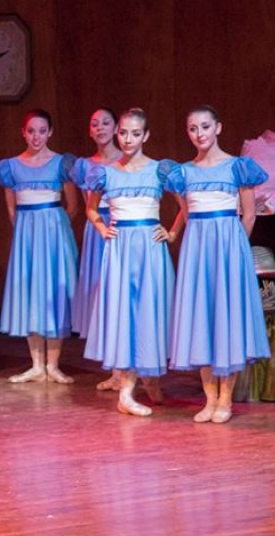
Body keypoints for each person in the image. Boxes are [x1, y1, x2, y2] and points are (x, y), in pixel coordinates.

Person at [166, 105, 271, 423]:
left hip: (229, 248)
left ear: (218, 128)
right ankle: (209, 398)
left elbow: (249, 214)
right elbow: (186, 212)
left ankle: (226, 398)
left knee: (228, 318)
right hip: (198, 250)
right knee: (203, 317)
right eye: (193, 128)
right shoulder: (181, 173)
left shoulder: (238, 167)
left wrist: (236, 247)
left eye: (205, 126)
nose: (199, 134)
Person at [84, 108, 186, 417]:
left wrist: (171, 233)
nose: (128, 139)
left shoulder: (159, 170)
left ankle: (151, 379)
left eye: (135, 133)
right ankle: (126, 392)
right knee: (126, 315)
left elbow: (185, 206)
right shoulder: (106, 171)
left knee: (151, 311)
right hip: (120, 250)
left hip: (150, 249)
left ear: (146, 135)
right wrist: (103, 229)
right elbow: (91, 210)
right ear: (118, 134)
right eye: (124, 133)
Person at [0, 110, 80, 384]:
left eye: (42, 130)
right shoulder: (11, 167)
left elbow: (73, 206)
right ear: (23, 132)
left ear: (50, 132)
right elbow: (11, 210)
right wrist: (26, 234)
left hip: (54, 233)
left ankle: (53, 365)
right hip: (26, 236)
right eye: (31, 131)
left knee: (53, 294)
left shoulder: (61, 164)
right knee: (31, 293)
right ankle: (36, 364)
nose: (36, 136)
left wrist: (54, 228)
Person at [70, 109, 123, 390]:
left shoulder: (124, 161)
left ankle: (122, 368)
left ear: (116, 128)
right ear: (89, 131)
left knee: (118, 296)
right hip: (96, 231)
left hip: (118, 229)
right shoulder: (84, 166)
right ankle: (113, 369)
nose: (100, 128)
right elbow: (88, 205)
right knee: (100, 297)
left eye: (106, 123)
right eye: (95, 124)